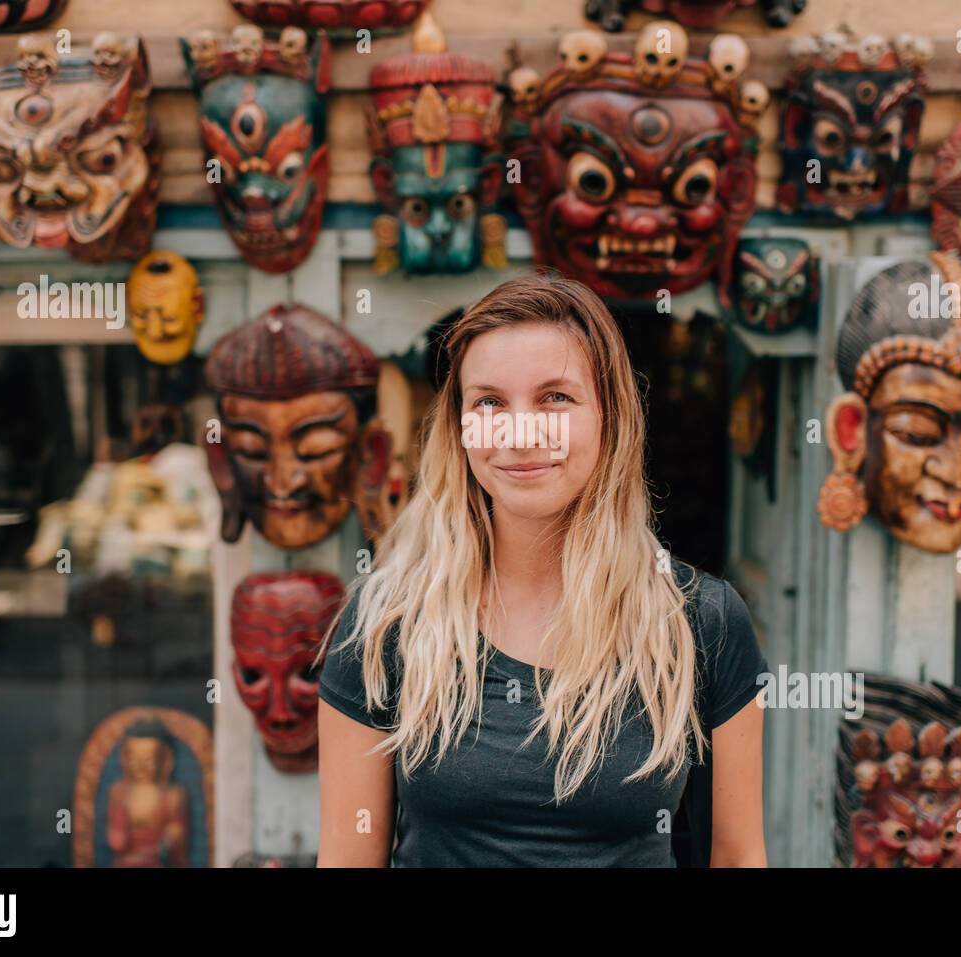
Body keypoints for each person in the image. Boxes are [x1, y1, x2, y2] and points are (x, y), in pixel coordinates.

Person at [316, 274, 767, 867]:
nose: (521, 433)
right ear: (460, 428)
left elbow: (737, 857)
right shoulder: (384, 623)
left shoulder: (701, 622)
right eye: (489, 402)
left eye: (556, 397)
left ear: (610, 417)